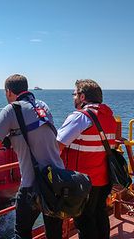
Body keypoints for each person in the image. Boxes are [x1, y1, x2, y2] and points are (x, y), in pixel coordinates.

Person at [0, 74, 64, 239]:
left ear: (9, 92)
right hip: (57, 181)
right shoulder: (43, 106)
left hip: (32, 185)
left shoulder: (12, 109)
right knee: (54, 233)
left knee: (21, 232)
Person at [57, 79, 117, 239]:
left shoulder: (80, 117)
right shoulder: (109, 117)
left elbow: (56, 146)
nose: (73, 97)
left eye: (74, 94)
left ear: (82, 97)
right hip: (103, 179)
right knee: (99, 215)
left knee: (84, 222)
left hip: (83, 182)